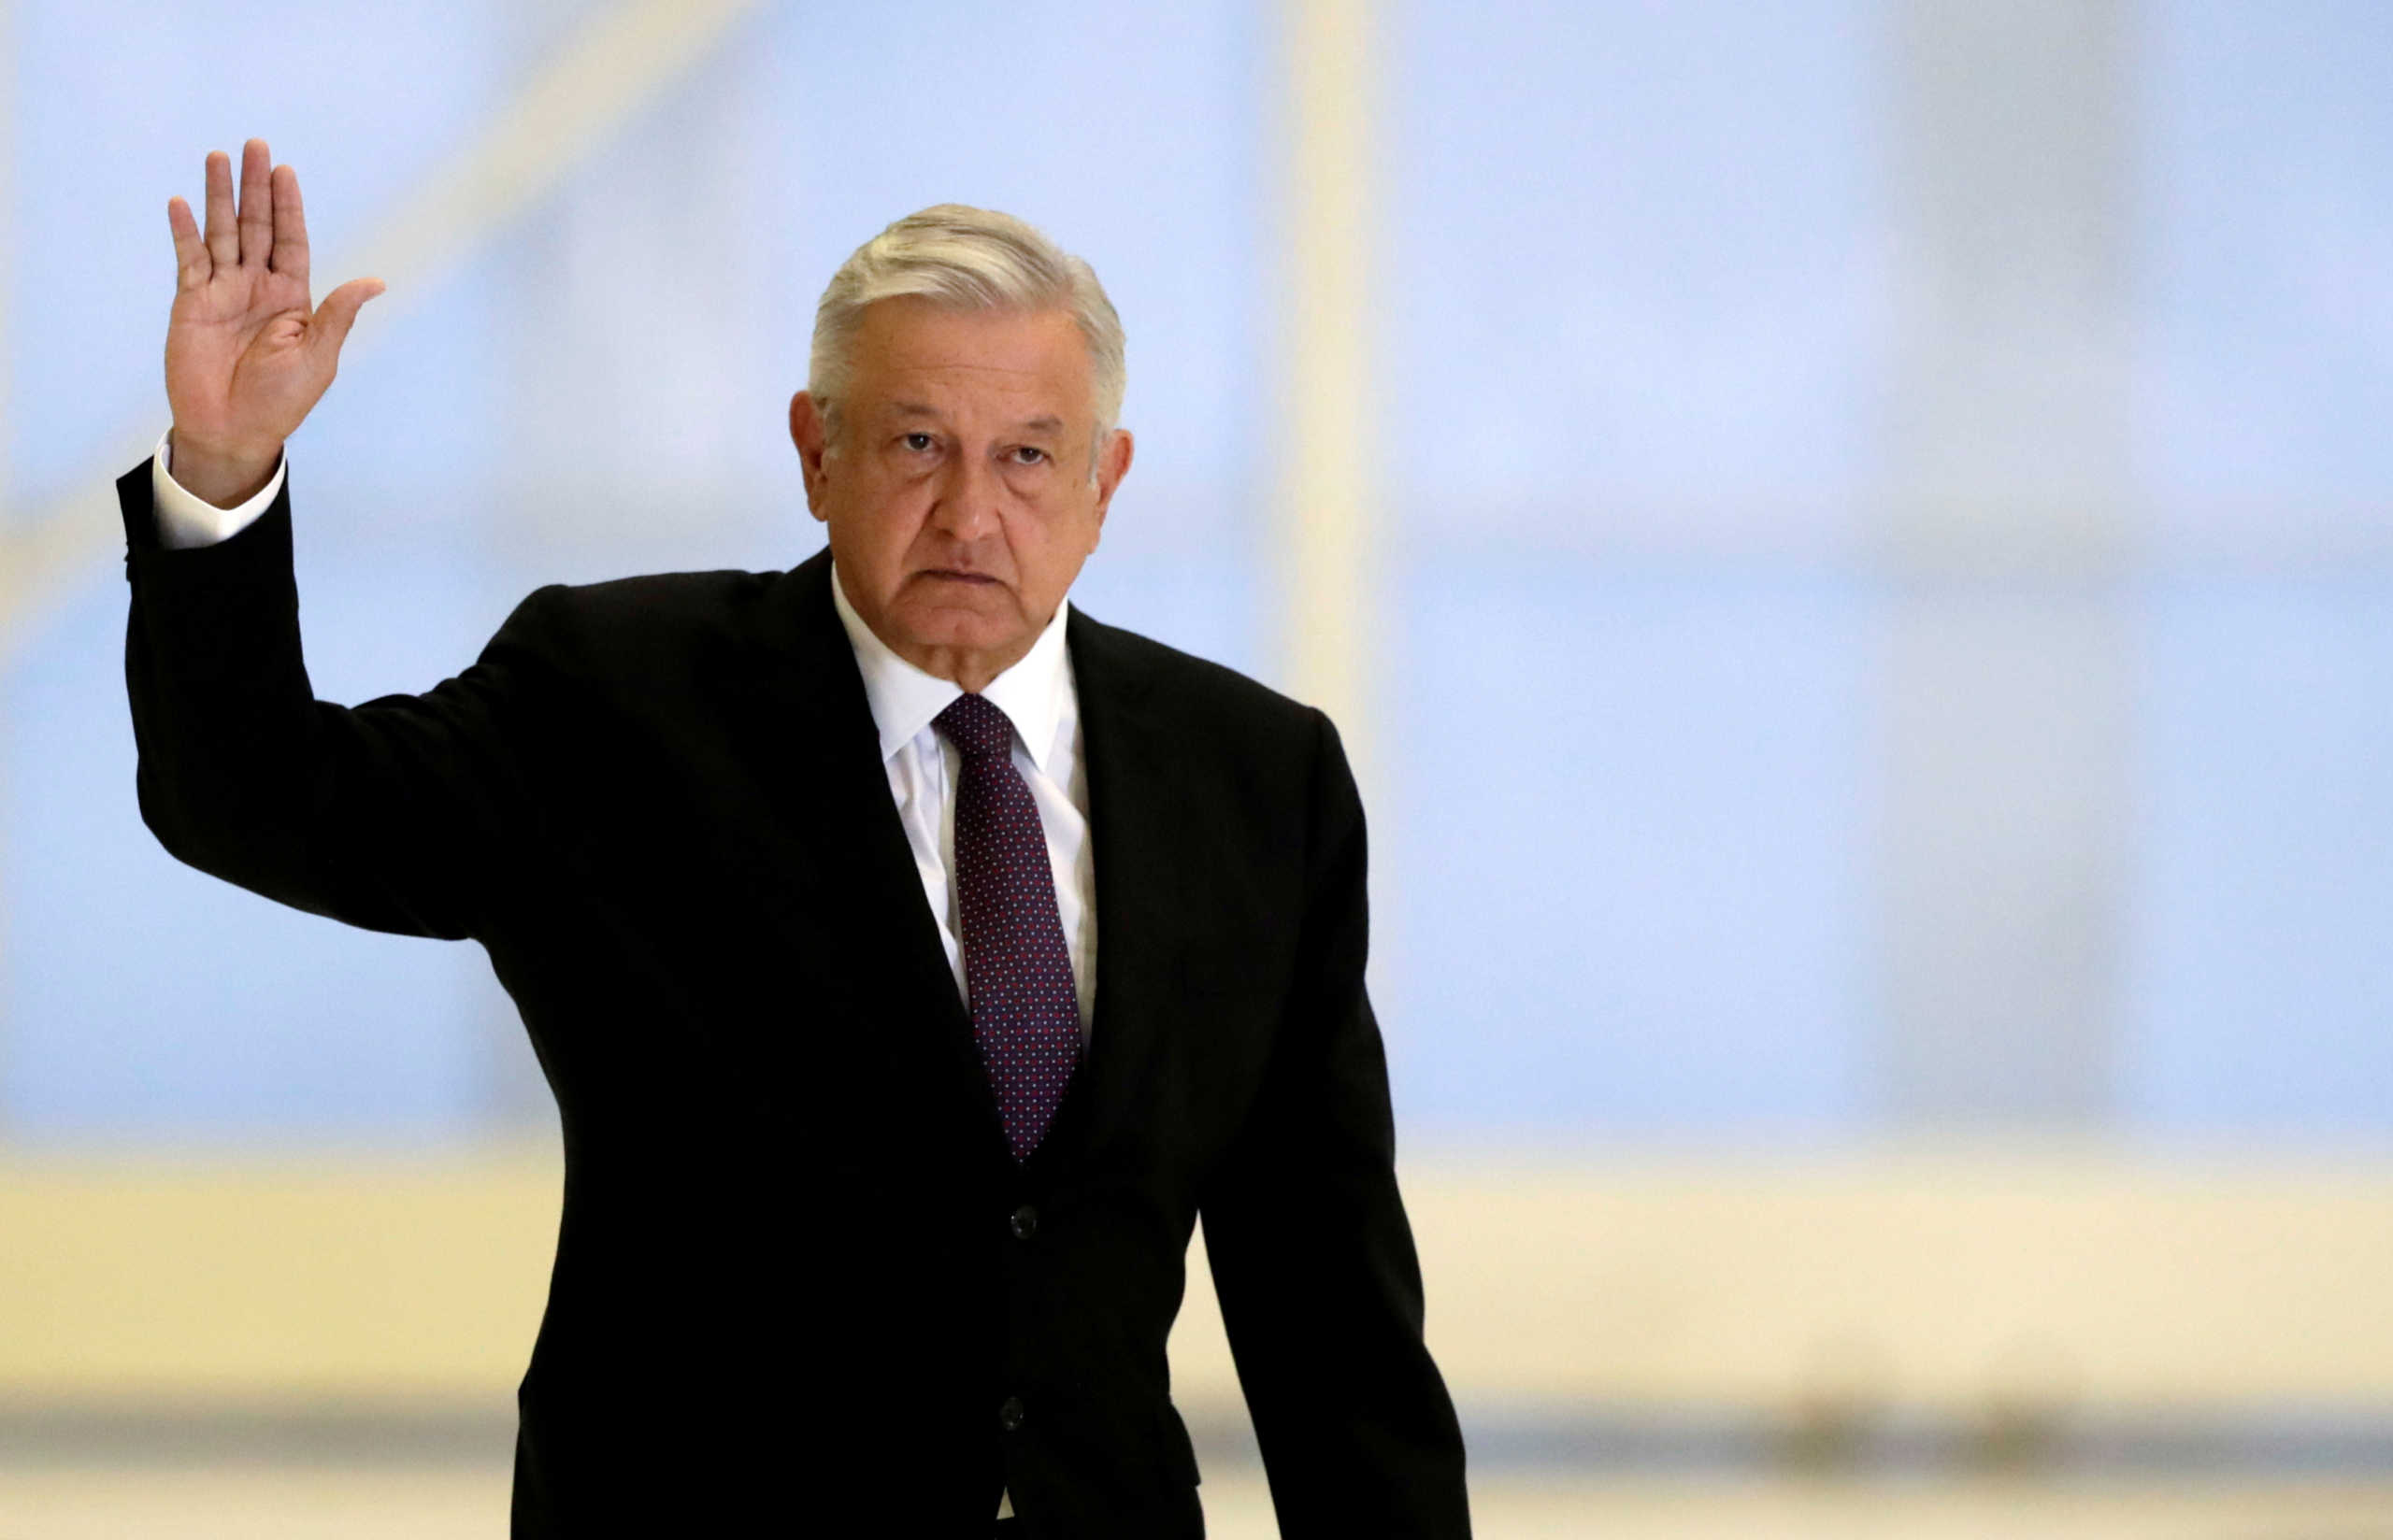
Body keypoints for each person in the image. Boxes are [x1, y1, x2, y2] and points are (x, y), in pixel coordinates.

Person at [122, 138, 1470, 1538]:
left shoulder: (1255, 778)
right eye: (914, 445)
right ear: (815, 453)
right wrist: (223, 467)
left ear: (1104, 479)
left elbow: (1333, 1320)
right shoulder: (617, 702)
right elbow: (255, 799)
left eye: (1026, 457)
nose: (969, 511)